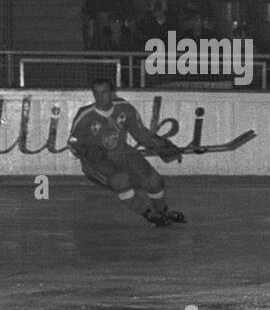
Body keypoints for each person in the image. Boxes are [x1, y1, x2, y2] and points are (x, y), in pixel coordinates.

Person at [67, 79, 185, 227]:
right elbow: (72, 142)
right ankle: (149, 215)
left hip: (122, 153)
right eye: (96, 93)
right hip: (97, 161)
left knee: (154, 181)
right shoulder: (85, 115)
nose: (100, 97)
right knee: (120, 180)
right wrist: (85, 151)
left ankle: (162, 212)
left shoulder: (124, 108)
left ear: (112, 93)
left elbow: (141, 134)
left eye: (104, 92)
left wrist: (162, 145)